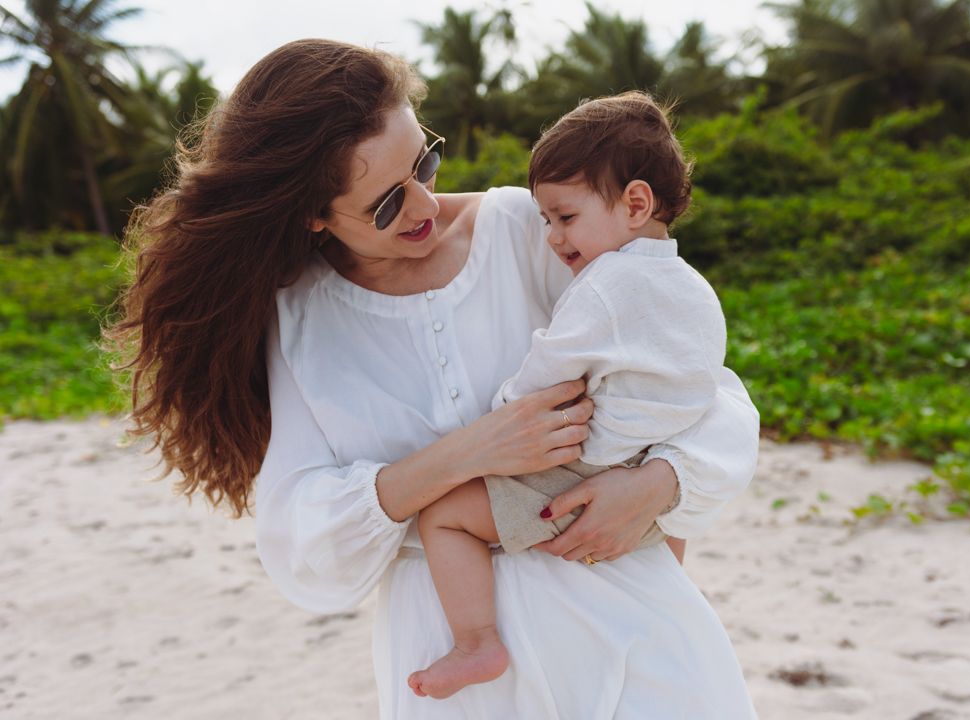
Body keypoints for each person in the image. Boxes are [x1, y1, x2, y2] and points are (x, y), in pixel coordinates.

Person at [108, 39, 760, 719]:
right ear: (312, 214)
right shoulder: (300, 314)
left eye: (425, 163)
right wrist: (468, 454)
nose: (424, 205)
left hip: (633, 624)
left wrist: (658, 485)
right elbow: (300, 540)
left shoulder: (525, 231)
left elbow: (701, 390)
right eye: (386, 204)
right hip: (459, 669)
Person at [408, 92, 730, 700]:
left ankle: (476, 642)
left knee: (444, 516)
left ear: (635, 203)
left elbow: (551, 365)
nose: (553, 238)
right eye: (546, 220)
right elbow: (708, 384)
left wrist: (506, 409)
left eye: (564, 216)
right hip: (659, 482)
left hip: (584, 470)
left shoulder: (605, 283)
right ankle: (664, 591)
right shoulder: (695, 288)